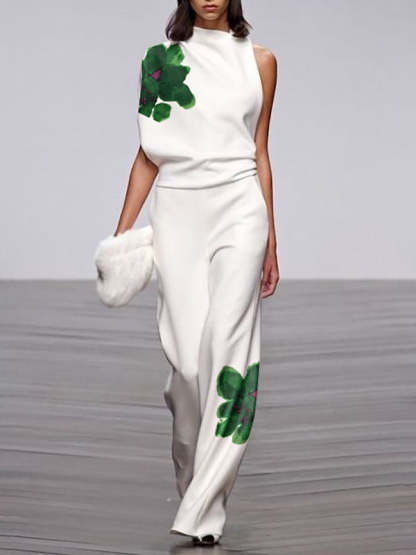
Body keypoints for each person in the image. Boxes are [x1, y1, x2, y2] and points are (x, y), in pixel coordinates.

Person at [114, 0, 279, 547]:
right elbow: (148, 154)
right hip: (179, 213)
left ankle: (203, 508)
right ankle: (193, 484)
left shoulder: (261, 60)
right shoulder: (159, 59)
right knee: (188, 369)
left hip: (241, 209)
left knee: (231, 355)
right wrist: (121, 235)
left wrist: (272, 240)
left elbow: (259, 150)